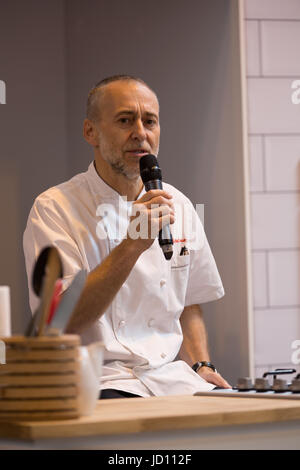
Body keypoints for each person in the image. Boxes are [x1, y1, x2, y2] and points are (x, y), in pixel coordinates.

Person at [23, 75, 230, 399]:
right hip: (99, 381)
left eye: (150, 121)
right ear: (90, 131)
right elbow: (61, 320)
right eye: (124, 120)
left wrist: (202, 364)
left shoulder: (180, 205)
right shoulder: (54, 208)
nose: (140, 133)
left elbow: (189, 301)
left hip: (171, 379)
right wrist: (132, 244)